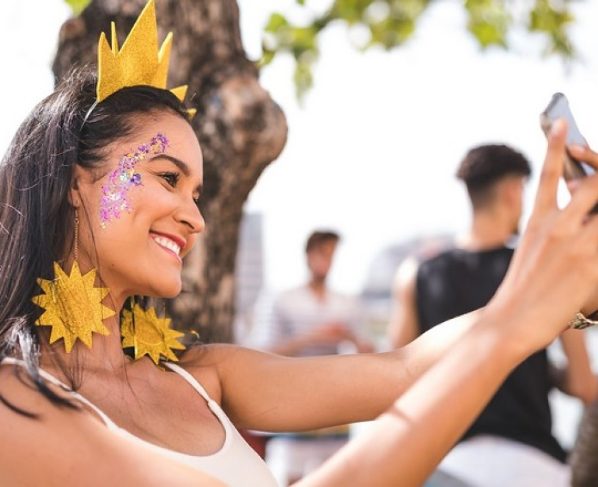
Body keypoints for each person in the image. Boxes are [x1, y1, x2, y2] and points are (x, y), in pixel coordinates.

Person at [2, 2, 598, 486]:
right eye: (167, 178)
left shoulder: (205, 375)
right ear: (75, 181)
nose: (195, 218)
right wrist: (512, 328)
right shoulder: (15, 401)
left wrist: (569, 295)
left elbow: (404, 370)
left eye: (198, 193)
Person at [387, 144, 598, 486]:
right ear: (514, 191)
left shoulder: (417, 272)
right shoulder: (543, 271)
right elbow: (583, 384)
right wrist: (538, 369)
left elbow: (398, 378)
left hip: (445, 460)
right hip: (532, 464)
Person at [249, 230, 373, 484]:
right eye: (322, 253)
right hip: (296, 400)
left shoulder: (346, 303)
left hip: (335, 405)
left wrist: (349, 337)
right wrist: (310, 338)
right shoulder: (284, 300)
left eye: (331, 254)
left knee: (339, 476)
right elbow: (262, 352)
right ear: (308, 255)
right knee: (292, 475)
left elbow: (368, 351)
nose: (326, 261)